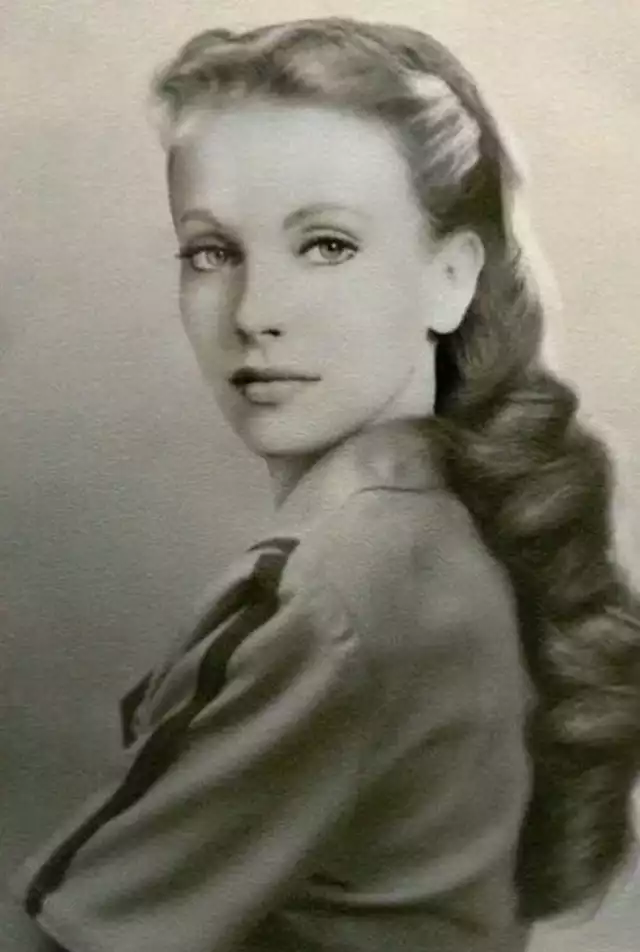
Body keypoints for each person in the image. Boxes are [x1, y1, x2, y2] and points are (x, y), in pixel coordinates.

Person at [11, 16, 640, 952]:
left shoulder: (338, 591)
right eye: (211, 252)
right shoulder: (448, 526)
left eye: (327, 246)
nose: (255, 313)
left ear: (450, 279)